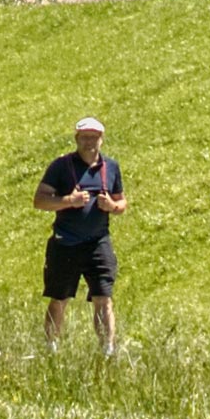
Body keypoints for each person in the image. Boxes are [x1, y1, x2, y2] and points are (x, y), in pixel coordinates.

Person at [34, 116, 129, 352]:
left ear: (101, 140)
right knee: (60, 298)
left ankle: (107, 349)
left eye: (93, 138)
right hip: (65, 243)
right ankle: (50, 348)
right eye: (85, 137)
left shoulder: (111, 167)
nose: (89, 142)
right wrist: (69, 200)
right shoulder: (61, 166)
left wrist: (112, 206)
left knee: (104, 297)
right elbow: (40, 200)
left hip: (98, 243)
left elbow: (122, 202)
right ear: (76, 139)